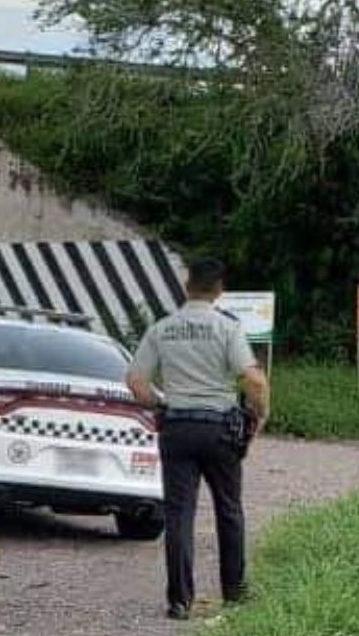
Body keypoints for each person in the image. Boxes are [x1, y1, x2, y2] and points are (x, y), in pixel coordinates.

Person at [125, 257, 270, 621]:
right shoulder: (227, 328)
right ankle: (234, 592)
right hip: (219, 428)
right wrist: (261, 413)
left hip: (177, 426)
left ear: (186, 287)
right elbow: (253, 380)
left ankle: (179, 599)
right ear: (220, 289)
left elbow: (136, 382)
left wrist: (162, 401)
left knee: (179, 514)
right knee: (229, 510)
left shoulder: (162, 329)